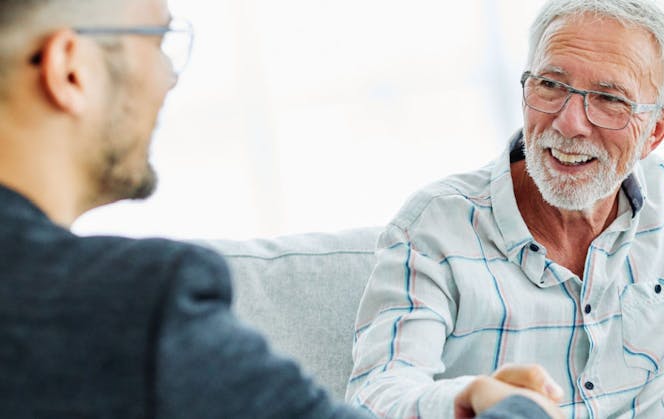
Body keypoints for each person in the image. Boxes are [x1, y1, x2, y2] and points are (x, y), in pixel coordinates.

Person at [0, 0, 564, 418]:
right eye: (158, 41)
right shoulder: (136, 306)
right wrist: (515, 408)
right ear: (71, 69)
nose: (168, 79)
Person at [346, 0, 664, 417]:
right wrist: (468, 399)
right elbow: (376, 396)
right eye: (550, 85)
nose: (568, 123)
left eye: (609, 99)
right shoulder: (435, 228)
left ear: (656, 131)